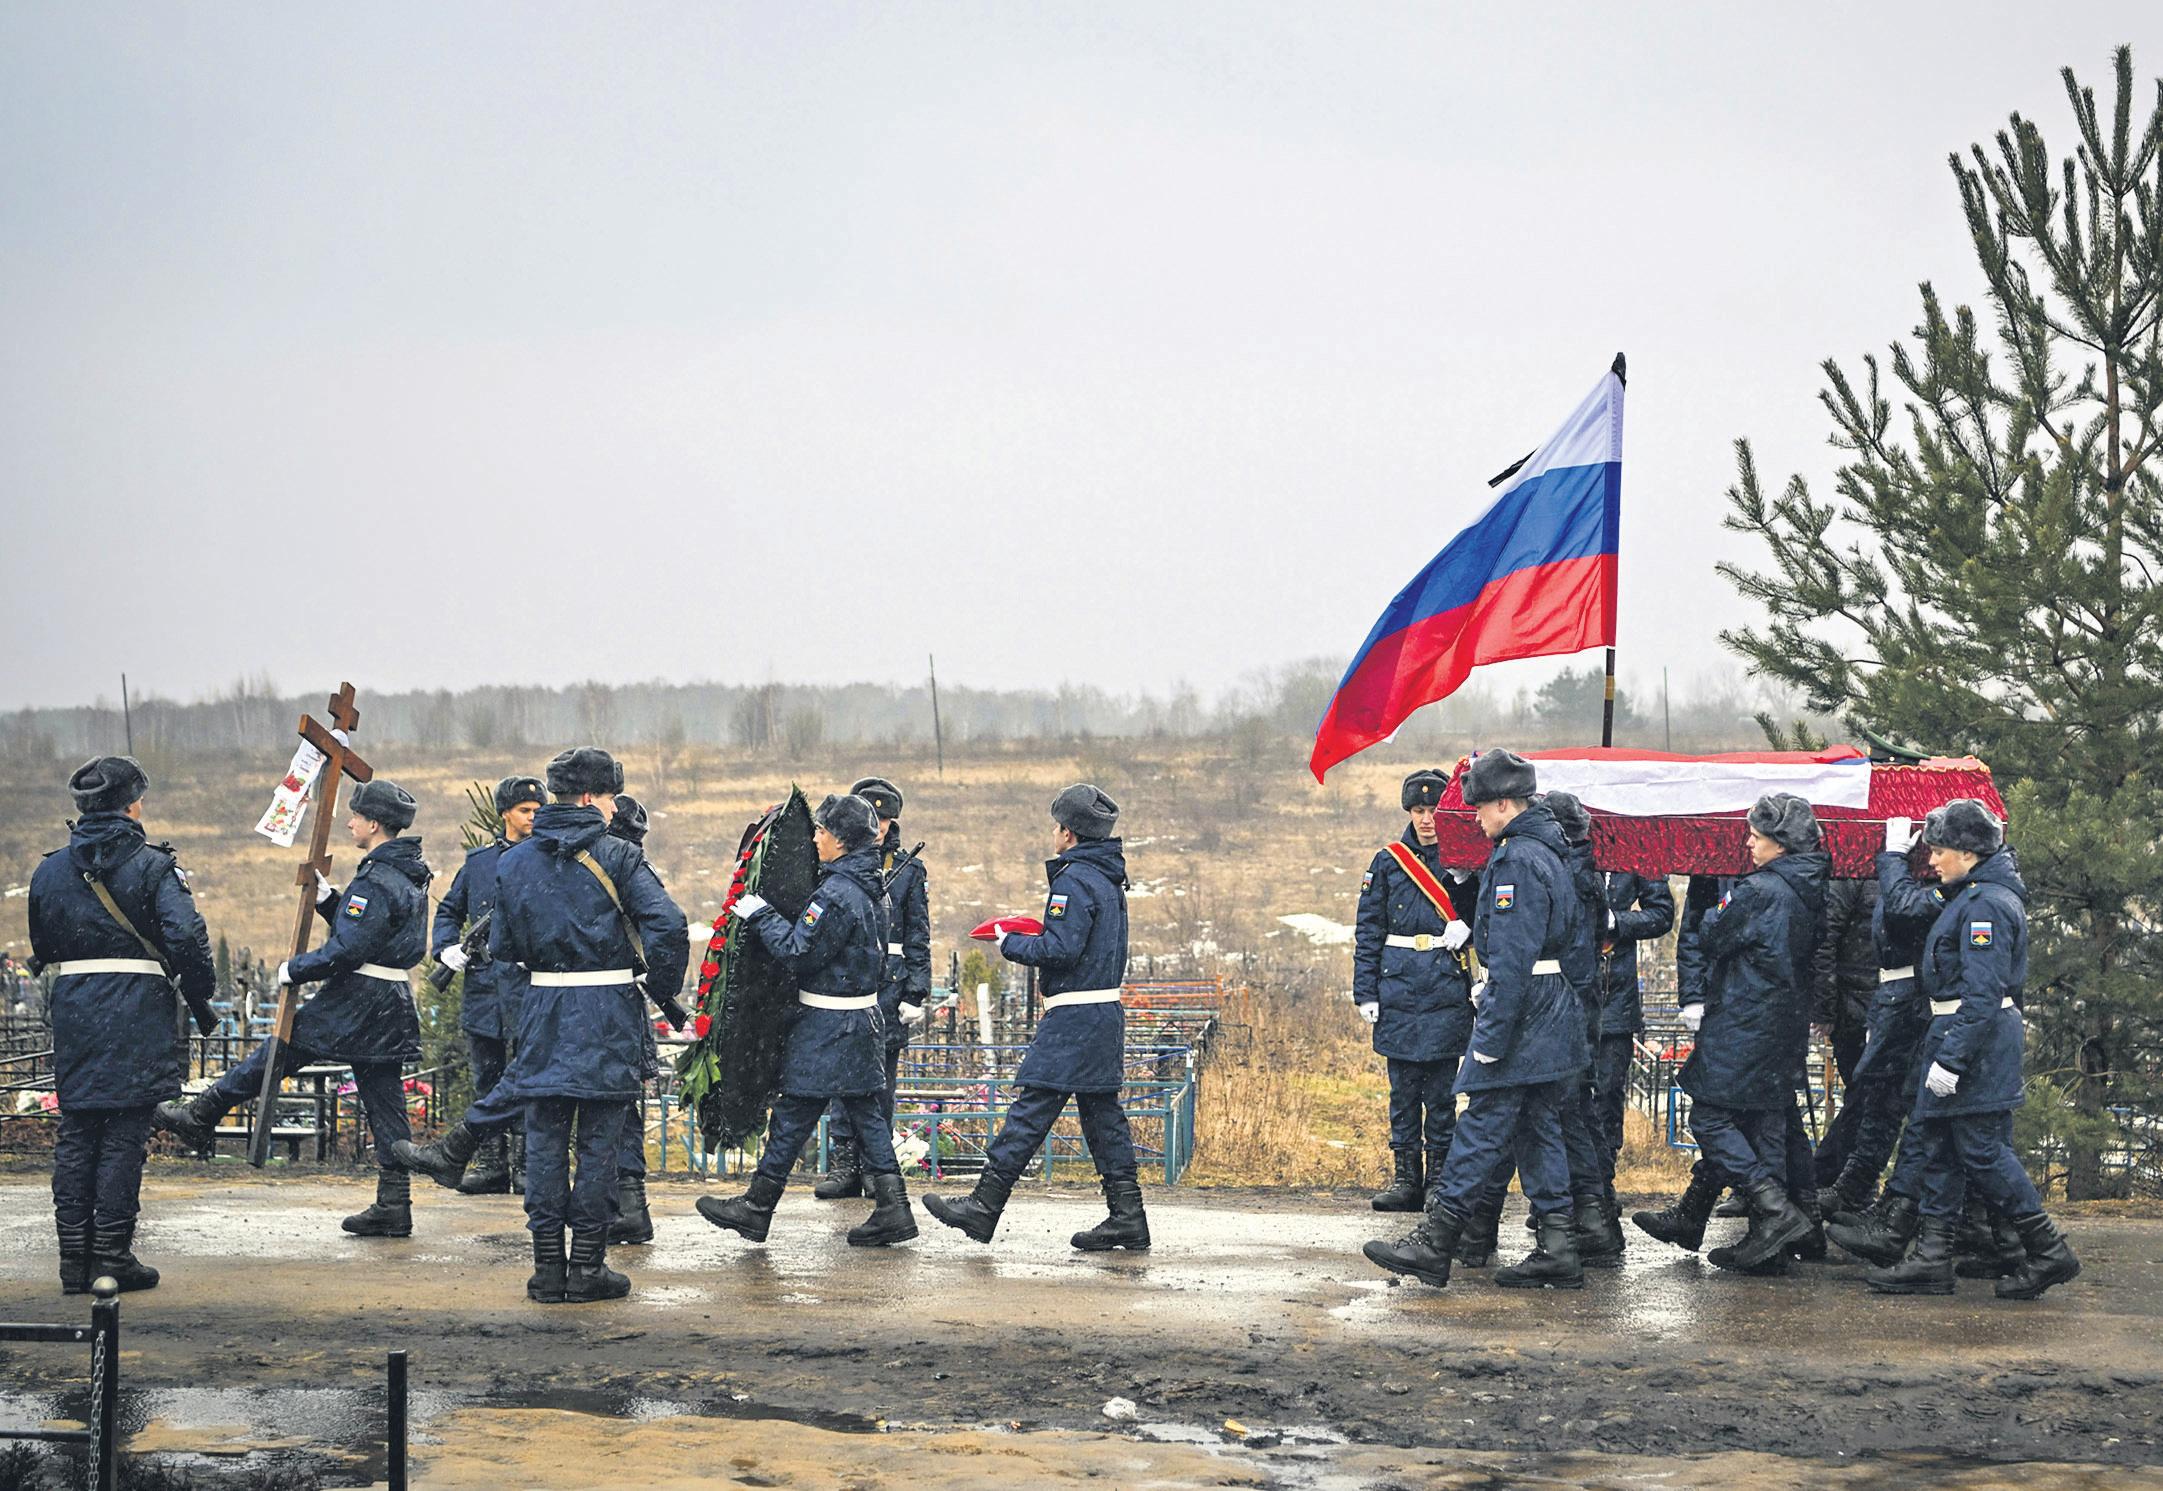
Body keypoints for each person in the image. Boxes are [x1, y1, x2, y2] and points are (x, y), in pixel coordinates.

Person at [157, 779, 430, 1239]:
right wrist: (331, 903)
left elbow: (351, 949)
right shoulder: (405, 873)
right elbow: (375, 936)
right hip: (388, 1002)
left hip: (356, 1000)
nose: (349, 821)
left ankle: (202, 1114)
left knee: (278, 1051)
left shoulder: (378, 878)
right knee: (385, 1102)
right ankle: (394, 1202)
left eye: (356, 815)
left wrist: (295, 969)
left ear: (374, 824)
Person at [1363, 750, 1589, 1291]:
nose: (1477, 818)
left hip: (1524, 1011)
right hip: (1550, 1006)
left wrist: (1488, 1037)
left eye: (1482, 808)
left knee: (1480, 1124)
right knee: (1537, 1130)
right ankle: (1558, 1245)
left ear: (1505, 804)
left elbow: (1511, 960)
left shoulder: (1515, 860)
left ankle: (1436, 1241)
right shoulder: (1548, 852)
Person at [1865, 801, 2078, 1299]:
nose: (1933, 861)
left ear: (1968, 851)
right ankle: (1931, 1258)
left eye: (1938, 851)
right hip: (1958, 1035)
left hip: (1973, 1044)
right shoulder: (1973, 894)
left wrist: (1953, 1059)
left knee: (1984, 1151)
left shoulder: (1986, 904)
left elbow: (1983, 993)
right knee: (1941, 1146)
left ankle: (2048, 1251)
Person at [925, 784, 1147, 1252]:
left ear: (1068, 833)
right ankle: (1128, 1217)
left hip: (1073, 1019)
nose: (1053, 832)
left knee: (1030, 1112)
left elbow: (1061, 949)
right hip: (1102, 1015)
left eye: (1056, 825)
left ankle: (984, 1206)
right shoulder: (1108, 878)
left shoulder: (1073, 879)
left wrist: (1010, 942)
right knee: (1104, 1120)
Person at [697, 793, 918, 1248]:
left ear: (839, 840)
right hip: (859, 1023)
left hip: (826, 1027)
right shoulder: (869, 888)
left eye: (821, 830)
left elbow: (799, 951)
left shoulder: (836, 894)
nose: (814, 837)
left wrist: (761, 916)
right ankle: (894, 1208)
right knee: (867, 1116)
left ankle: (757, 1208)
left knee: (794, 1115)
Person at [30, 756, 217, 1292]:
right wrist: (198, 993)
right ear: (133, 805)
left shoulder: (48, 869)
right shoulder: (155, 865)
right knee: (124, 1134)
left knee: (78, 1130)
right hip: (136, 1007)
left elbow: (43, 944)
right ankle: (112, 1255)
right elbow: (184, 935)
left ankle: (73, 1262)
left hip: (75, 1006)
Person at [1636, 793, 1826, 1273]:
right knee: (1765, 1127)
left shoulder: (1761, 889)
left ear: (1779, 846)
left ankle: (1775, 1212)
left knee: (1711, 1118)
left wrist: (1720, 906)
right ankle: (1767, 1241)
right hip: (1781, 1021)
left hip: (1744, 1018)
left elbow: (1713, 933)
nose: (1748, 844)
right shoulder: (1809, 886)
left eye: (1757, 838)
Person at [1350, 769, 1477, 1213]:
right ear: (1409, 812)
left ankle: (1439, 1180)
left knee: (1441, 1094)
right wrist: (1365, 992)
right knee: (1403, 1093)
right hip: (1399, 988)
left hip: (1446, 984)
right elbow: (1369, 930)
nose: (1426, 820)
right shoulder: (1388, 861)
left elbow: (1492, 919)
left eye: (1434, 811)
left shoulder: (1465, 860)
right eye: (1419, 811)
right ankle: (1406, 1178)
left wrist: (1470, 926)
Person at [814, 776, 931, 1202]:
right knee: (842, 1076)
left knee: (880, 1082)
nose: (878, 826)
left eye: (885, 819)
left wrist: (917, 990)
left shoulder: (907, 870)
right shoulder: (831, 866)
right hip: (848, 985)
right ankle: (845, 1162)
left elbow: (918, 933)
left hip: (889, 988)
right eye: (871, 816)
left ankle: (874, 1167)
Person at [430, 774, 544, 1195]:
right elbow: (448, 911)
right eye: (524, 811)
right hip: (484, 987)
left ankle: (527, 1167)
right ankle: (493, 1165)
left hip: (528, 987)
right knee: (488, 1077)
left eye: (537, 810)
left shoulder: (546, 857)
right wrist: (446, 950)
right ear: (505, 814)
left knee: (528, 1079)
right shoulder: (478, 862)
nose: (533, 817)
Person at [604, 791, 659, 1245]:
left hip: (609, 1002)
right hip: (625, 1001)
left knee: (616, 1113)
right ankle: (627, 1204)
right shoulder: (636, 872)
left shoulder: (614, 871)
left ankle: (626, 1207)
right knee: (621, 1111)